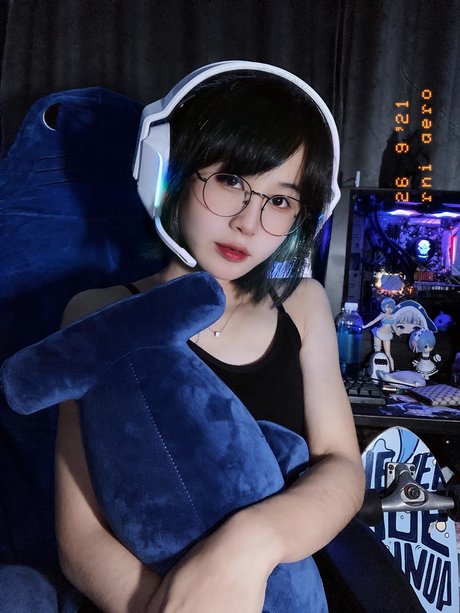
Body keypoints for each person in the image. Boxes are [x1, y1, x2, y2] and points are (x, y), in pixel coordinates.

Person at [55, 62, 365, 613]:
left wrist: (249, 544)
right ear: (167, 168)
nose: (249, 222)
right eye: (231, 181)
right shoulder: (97, 314)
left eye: (280, 201)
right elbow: (80, 541)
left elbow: (341, 465)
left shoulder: (303, 304)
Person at [363, 297, 399, 371]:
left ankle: (392, 370)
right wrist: (364, 326)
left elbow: (394, 326)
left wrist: (397, 332)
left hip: (387, 335)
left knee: (388, 354)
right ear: (384, 307)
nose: (389, 309)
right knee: (377, 352)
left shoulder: (392, 317)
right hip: (379, 334)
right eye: (387, 307)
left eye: (390, 307)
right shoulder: (382, 315)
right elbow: (373, 321)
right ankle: (375, 368)